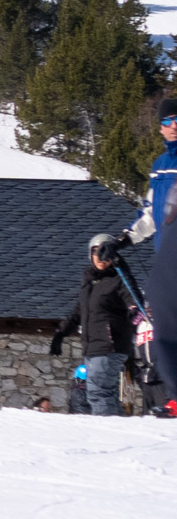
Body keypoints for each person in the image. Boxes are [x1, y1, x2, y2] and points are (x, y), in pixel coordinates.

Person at [53, 234, 140, 416]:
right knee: (106, 392)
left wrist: (134, 310)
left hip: (110, 344)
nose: (101, 258)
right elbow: (79, 311)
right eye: (96, 252)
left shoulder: (119, 278)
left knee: (98, 392)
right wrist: (60, 333)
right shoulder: (90, 282)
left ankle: (107, 433)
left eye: (105, 253)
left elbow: (132, 298)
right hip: (93, 345)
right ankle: (119, 428)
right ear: (90, 254)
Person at [133, 100, 177, 412]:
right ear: (160, 126)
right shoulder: (161, 165)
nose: (174, 125)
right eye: (169, 120)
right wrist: (123, 239)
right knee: (166, 325)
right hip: (166, 256)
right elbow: (149, 213)